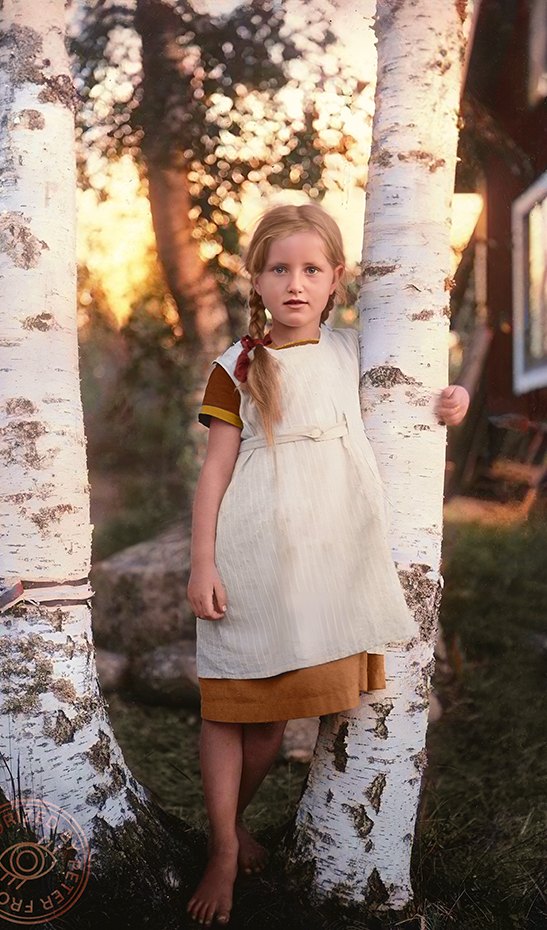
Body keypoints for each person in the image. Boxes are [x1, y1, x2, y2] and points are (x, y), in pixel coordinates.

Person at [186, 202, 470, 926]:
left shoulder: (356, 352)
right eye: (278, 268)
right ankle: (223, 844)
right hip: (249, 549)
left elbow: (408, 407)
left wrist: (448, 401)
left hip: (324, 561)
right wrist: (202, 563)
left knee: (276, 721)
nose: (294, 283)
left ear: (336, 279)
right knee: (232, 702)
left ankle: (238, 824)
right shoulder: (238, 366)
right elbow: (214, 472)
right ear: (255, 279)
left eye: (311, 269)